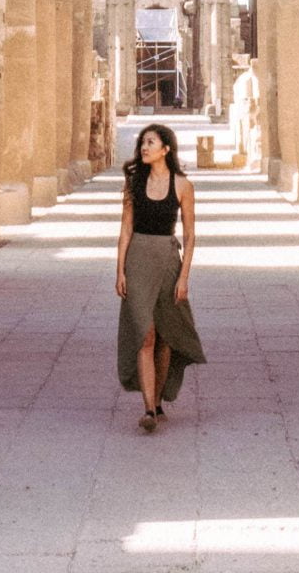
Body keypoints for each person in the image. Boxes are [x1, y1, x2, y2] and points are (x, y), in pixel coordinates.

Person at [115, 121, 205, 430]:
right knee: (145, 334)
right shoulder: (132, 184)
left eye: (151, 142)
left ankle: (157, 400)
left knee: (166, 335)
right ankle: (149, 411)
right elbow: (126, 228)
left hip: (168, 260)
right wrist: (120, 270)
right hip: (138, 258)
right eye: (142, 142)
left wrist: (184, 277)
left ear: (166, 149)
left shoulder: (182, 186)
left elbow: (190, 235)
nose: (144, 147)